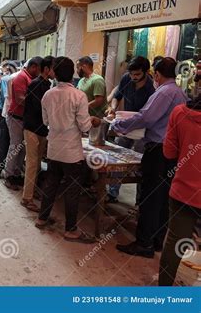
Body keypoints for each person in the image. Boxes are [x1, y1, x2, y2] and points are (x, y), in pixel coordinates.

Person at [113, 57, 188, 258]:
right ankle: (156, 241)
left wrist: (118, 126)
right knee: (162, 198)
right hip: (172, 151)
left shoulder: (163, 92)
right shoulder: (180, 93)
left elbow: (145, 117)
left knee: (150, 197)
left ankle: (143, 243)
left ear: (156, 74)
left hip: (158, 150)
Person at [35, 56, 100, 243]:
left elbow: (45, 121)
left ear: (54, 73)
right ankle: (71, 229)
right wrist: (93, 122)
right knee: (72, 190)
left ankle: (42, 218)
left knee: (51, 184)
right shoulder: (78, 96)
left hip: (54, 148)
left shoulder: (48, 94)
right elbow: (85, 126)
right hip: (71, 151)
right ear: (72, 73)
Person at [159, 89, 201, 285]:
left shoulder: (179, 113)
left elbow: (169, 152)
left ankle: (164, 294)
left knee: (174, 243)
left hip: (183, 191)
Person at [105, 56, 155, 203]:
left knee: (140, 163)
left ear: (146, 72)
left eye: (137, 74)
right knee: (118, 159)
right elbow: (117, 96)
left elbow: (148, 114)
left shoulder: (151, 88)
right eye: (132, 74)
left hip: (142, 129)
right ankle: (112, 193)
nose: (134, 77)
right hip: (125, 125)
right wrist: (113, 109)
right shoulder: (126, 78)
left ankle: (139, 200)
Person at [21, 56, 54, 212]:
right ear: (46, 69)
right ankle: (27, 198)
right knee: (33, 163)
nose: (56, 72)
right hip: (32, 128)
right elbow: (37, 109)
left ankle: (32, 193)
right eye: (54, 68)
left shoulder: (48, 85)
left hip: (41, 129)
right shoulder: (36, 84)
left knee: (37, 163)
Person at [4, 57, 42, 189]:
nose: (40, 72)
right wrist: (37, 105)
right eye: (39, 69)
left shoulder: (28, 78)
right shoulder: (21, 77)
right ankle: (8, 176)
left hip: (23, 118)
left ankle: (16, 174)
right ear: (33, 67)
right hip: (16, 117)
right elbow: (20, 99)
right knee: (15, 147)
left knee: (22, 149)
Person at [0, 61, 17, 182]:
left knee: (1, 140)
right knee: (3, 141)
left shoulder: (7, 78)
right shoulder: (7, 79)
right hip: (3, 112)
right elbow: (5, 98)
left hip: (4, 112)